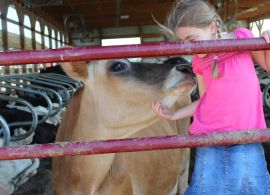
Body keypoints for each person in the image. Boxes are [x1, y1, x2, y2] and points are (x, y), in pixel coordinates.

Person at [152, 0, 270, 194]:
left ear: (213, 27)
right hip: (209, 137)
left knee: (250, 187)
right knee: (207, 188)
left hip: (244, 135)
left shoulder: (241, 39)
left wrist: (267, 40)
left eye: (193, 39)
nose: (191, 48)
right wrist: (174, 114)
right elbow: (206, 98)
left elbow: (267, 64)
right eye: (185, 44)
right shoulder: (199, 61)